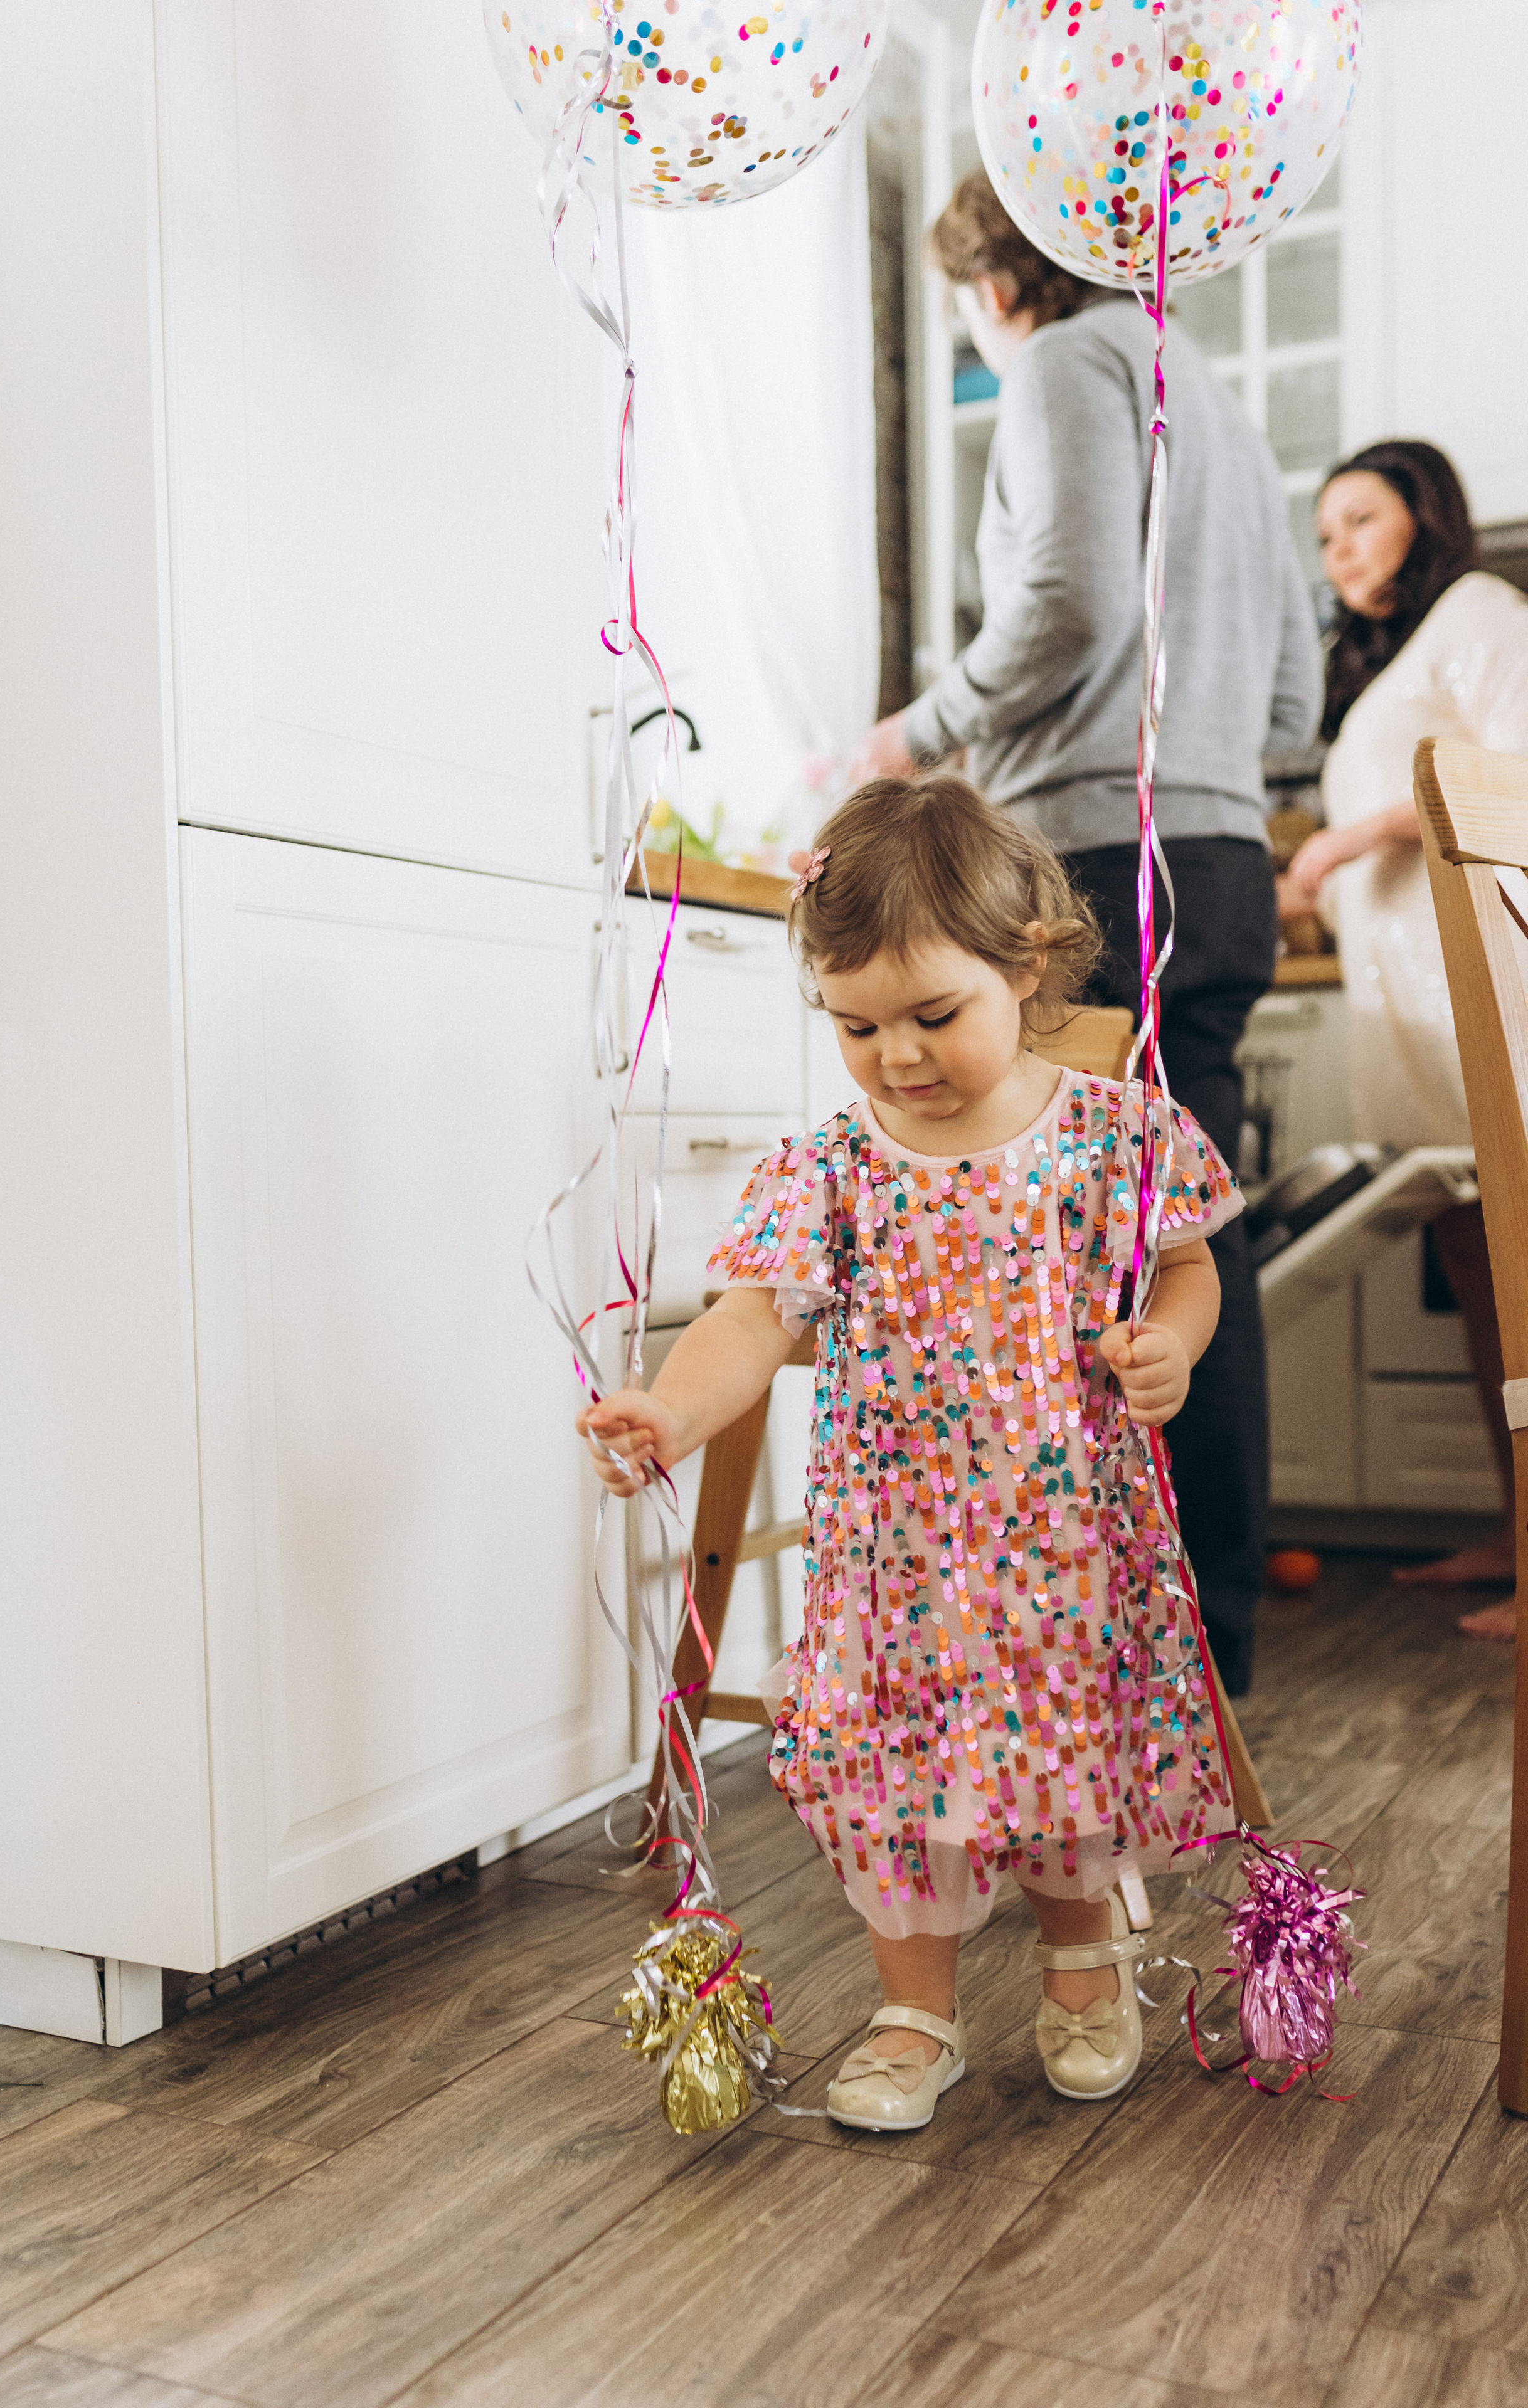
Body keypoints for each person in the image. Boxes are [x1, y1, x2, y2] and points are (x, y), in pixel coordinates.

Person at [578, 776, 1239, 2131]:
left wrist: (1169, 1343)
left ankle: (1079, 1971)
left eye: (932, 1016)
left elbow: (1183, 1269)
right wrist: (670, 1411)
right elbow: (751, 1319)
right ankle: (912, 2011)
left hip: (1063, 1550)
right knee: (894, 1781)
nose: (895, 1056)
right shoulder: (832, 1166)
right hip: (896, 1564)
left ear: (1028, 966)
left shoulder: (1113, 1134)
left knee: (1062, 1764)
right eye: (855, 1024)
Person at [854, 172, 1321, 1699]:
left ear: (997, 280)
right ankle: (1205, 1634)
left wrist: (912, 738)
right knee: (1191, 1231)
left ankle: (1097, 1637)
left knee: (1068, 1229)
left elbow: (1060, 602)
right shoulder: (1219, 399)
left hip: (1098, 851)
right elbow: (1292, 696)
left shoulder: (1066, 360)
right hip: (1219, 848)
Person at [1281, 441, 1528, 1641]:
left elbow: (1516, 768)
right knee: (1481, 1270)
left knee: (1527, 1272)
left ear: (1424, 515)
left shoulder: (1482, 610)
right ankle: (1514, 1522)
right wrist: (1315, 881)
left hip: (1487, 984)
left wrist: (1341, 843)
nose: (1339, 551)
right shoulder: (1383, 669)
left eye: (1360, 521)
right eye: (1325, 534)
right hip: (1408, 1010)